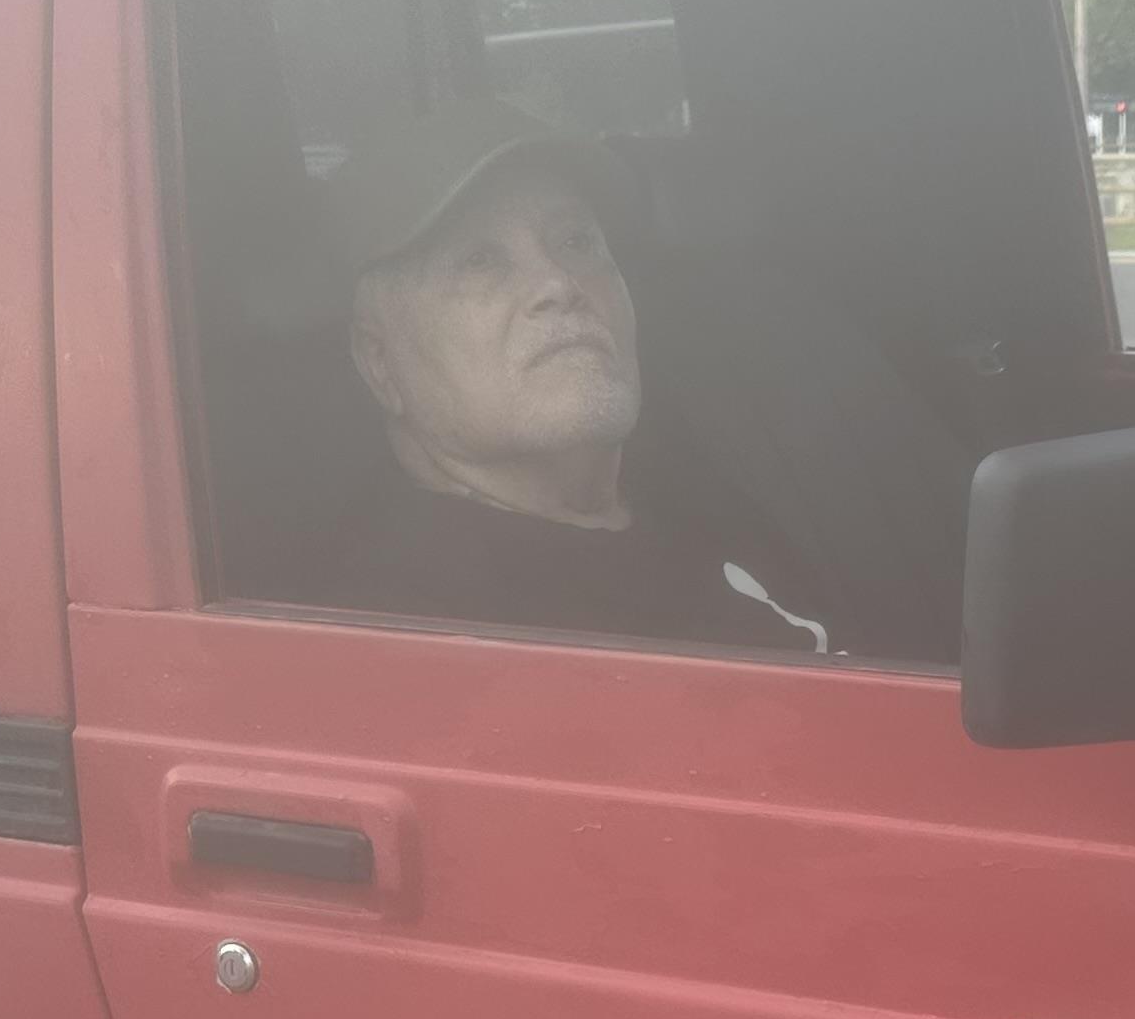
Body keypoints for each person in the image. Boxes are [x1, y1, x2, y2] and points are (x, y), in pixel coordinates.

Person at [323, 100, 836, 654]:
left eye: (576, 242)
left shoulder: (687, 475)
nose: (558, 283)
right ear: (381, 364)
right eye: (480, 261)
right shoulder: (413, 630)